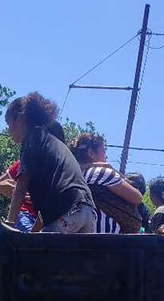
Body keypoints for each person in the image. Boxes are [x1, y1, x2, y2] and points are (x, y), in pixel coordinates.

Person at [5, 93, 97, 234]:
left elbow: (21, 187)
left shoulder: (32, 139)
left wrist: (9, 225)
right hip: (87, 211)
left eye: (8, 123)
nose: (8, 130)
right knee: (70, 256)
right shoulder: (52, 144)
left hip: (67, 210)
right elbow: (45, 213)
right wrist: (32, 235)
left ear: (19, 118)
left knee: (37, 255)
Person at [70, 132, 144, 234]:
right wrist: (111, 168)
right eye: (103, 151)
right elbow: (137, 197)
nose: (106, 155)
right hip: (106, 240)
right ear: (91, 153)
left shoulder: (73, 176)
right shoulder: (102, 173)